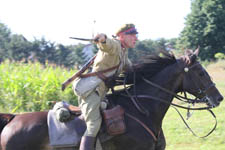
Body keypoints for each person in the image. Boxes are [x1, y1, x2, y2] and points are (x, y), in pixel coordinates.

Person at [72, 23, 138, 150]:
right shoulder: (115, 45)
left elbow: (131, 68)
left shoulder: (123, 53)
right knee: (93, 125)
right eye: (132, 35)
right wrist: (102, 38)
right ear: (121, 36)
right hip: (92, 92)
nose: (136, 39)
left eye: (136, 36)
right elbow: (107, 44)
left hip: (102, 94)